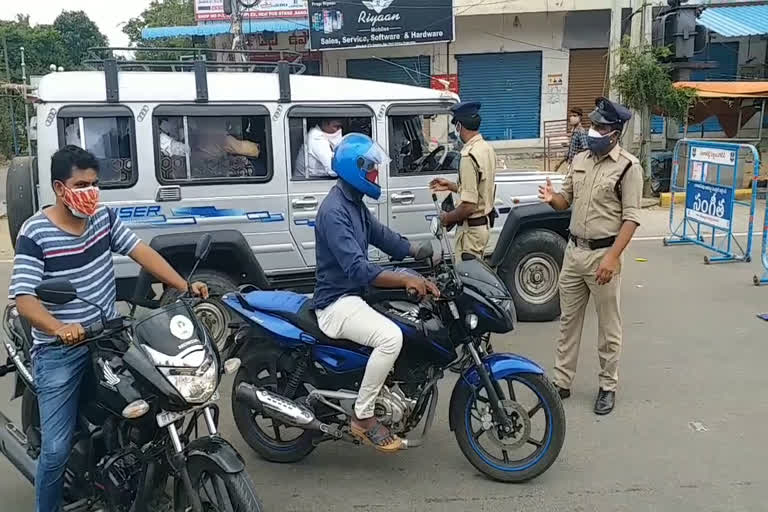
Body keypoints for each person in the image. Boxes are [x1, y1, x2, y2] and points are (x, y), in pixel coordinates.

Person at [9, 145, 209, 512]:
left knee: (159, 397)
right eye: (81, 184)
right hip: (60, 348)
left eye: (95, 184)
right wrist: (58, 327)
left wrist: (182, 285)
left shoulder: (104, 219)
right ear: (59, 187)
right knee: (54, 450)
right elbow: (24, 298)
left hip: (110, 335)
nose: (91, 192)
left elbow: (141, 253)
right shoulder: (35, 232)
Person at [313, 133, 439, 452]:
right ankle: (364, 416)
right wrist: (402, 278)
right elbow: (357, 269)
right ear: (354, 169)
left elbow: (383, 237)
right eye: (370, 169)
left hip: (355, 295)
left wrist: (418, 250)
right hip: (337, 303)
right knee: (390, 337)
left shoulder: (353, 203)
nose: (375, 175)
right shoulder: (334, 211)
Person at [538, 97, 643, 416]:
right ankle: (561, 381)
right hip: (574, 253)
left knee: (609, 327)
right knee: (568, 321)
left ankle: (607, 386)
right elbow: (565, 200)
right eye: (593, 125)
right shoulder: (580, 159)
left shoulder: (628, 167)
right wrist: (551, 198)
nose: (594, 131)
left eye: (601, 127)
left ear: (615, 132)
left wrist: (612, 258)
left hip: (603, 256)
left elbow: (632, 217)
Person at [429, 102, 497, 259]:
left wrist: (446, 218)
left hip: (470, 233)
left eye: (455, 126)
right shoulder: (486, 148)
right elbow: (478, 187)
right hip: (482, 228)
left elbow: (468, 206)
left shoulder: (468, 156)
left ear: (459, 125)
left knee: (467, 277)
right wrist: (452, 186)